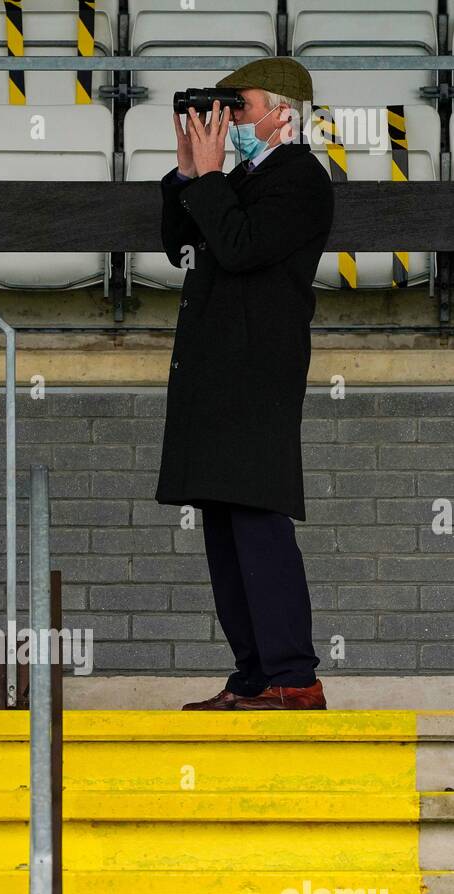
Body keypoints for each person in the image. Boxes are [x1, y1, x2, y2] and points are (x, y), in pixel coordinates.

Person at [156, 58, 334, 710]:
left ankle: (295, 678)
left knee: (259, 519)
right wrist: (186, 171)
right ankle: (255, 675)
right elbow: (180, 242)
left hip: (258, 376)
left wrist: (207, 179)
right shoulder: (234, 178)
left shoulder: (302, 181)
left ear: (285, 113)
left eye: (242, 106)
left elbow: (239, 246)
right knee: (225, 526)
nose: (231, 119)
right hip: (216, 374)